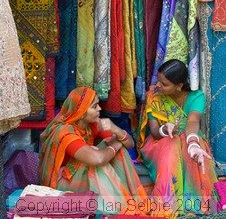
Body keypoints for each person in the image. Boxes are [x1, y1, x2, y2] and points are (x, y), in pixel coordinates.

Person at [39, 86, 148, 216]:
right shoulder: (64, 131)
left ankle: (124, 199)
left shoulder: (92, 124)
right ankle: (116, 206)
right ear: (81, 111)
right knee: (96, 153)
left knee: (117, 150)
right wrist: (115, 145)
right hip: (61, 184)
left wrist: (115, 129)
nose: (100, 109)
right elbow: (97, 159)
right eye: (95, 106)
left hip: (78, 175)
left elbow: (129, 144)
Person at [137, 59, 217, 217]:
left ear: (179, 86)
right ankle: (166, 204)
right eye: (158, 80)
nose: (158, 86)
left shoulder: (196, 97)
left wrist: (193, 144)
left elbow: (193, 121)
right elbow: (154, 132)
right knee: (172, 143)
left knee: (191, 145)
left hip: (188, 138)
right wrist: (164, 129)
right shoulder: (154, 96)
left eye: (164, 84)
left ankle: (189, 204)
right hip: (160, 142)